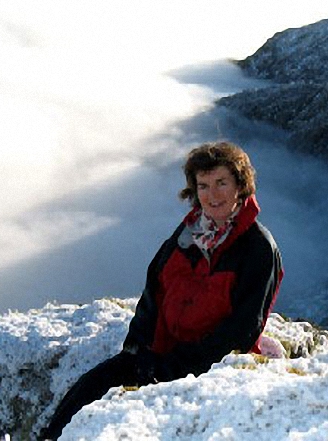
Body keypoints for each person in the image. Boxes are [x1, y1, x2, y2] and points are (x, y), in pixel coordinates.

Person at [41, 141, 284, 439]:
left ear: (240, 186)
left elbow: (242, 327)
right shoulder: (187, 236)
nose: (212, 194)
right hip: (160, 355)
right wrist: (138, 350)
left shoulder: (258, 248)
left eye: (222, 183)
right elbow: (154, 292)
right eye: (203, 185)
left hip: (210, 367)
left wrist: (176, 366)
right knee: (88, 389)